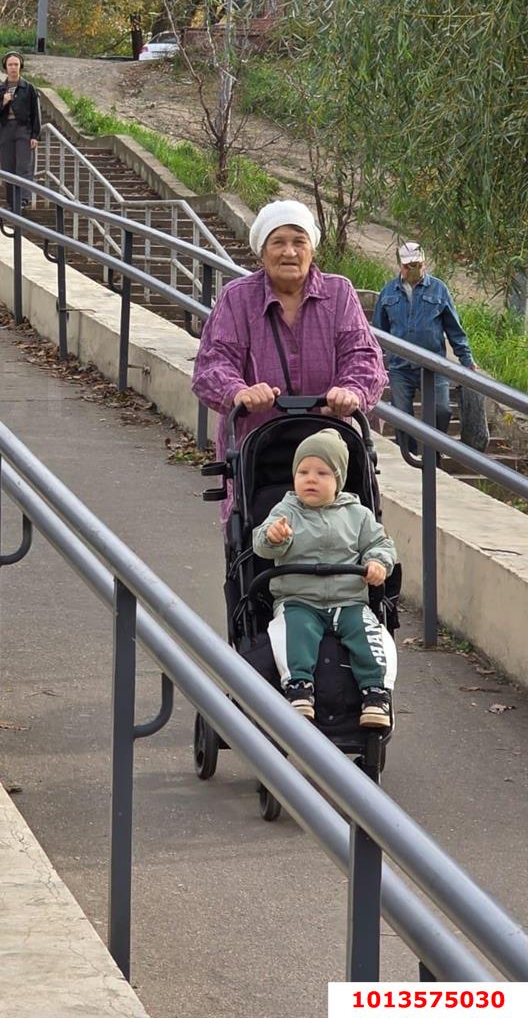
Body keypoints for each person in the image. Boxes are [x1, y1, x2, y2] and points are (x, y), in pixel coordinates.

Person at [192, 199, 387, 516]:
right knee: (255, 539)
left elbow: (363, 355)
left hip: (329, 452)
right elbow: (214, 363)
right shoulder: (238, 298)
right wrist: (239, 391)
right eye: (278, 242)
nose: (290, 252)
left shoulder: (339, 294)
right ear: (262, 251)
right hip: (258, 454)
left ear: (312, 249)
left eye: (299, 242)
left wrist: (351, 390)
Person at [253, 428, 397, 728]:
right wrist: (274, 536)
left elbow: (380, 544)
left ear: (339, 480)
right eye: (303, 471)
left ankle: (375, 694)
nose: (311, 479)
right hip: (299, 598)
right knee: (295, 632)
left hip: (348, 598)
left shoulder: (357, 514)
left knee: (370, 635)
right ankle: (298, 688)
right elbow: (262, 544)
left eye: (322, 473)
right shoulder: (285, 511)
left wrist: (377, 563)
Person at [372, 241, 476, 455]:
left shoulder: (439, 289)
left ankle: (433, 456)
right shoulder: (388, 292)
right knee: (401, 415)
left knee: (441, 410)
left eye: (418, 265)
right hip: (400, 367)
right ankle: (409, 456)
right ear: (400, 266)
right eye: (409, 266)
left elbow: (454, 329)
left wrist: (466, 360)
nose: (413, 270)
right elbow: (378, 332)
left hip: (433, 365)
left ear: (425, 264)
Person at [0, 51, 41, 211]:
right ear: (5, 67)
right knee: (8, 167)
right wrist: (3, 102)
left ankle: (23, 200)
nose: (13, 68)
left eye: (16, 65)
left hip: (23, 128)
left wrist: (35, 135)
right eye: (10, 65)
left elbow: (35, 113)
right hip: (5, 129)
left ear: (20, 67)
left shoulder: (28, 88)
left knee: (23, 166)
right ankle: (12, 202)